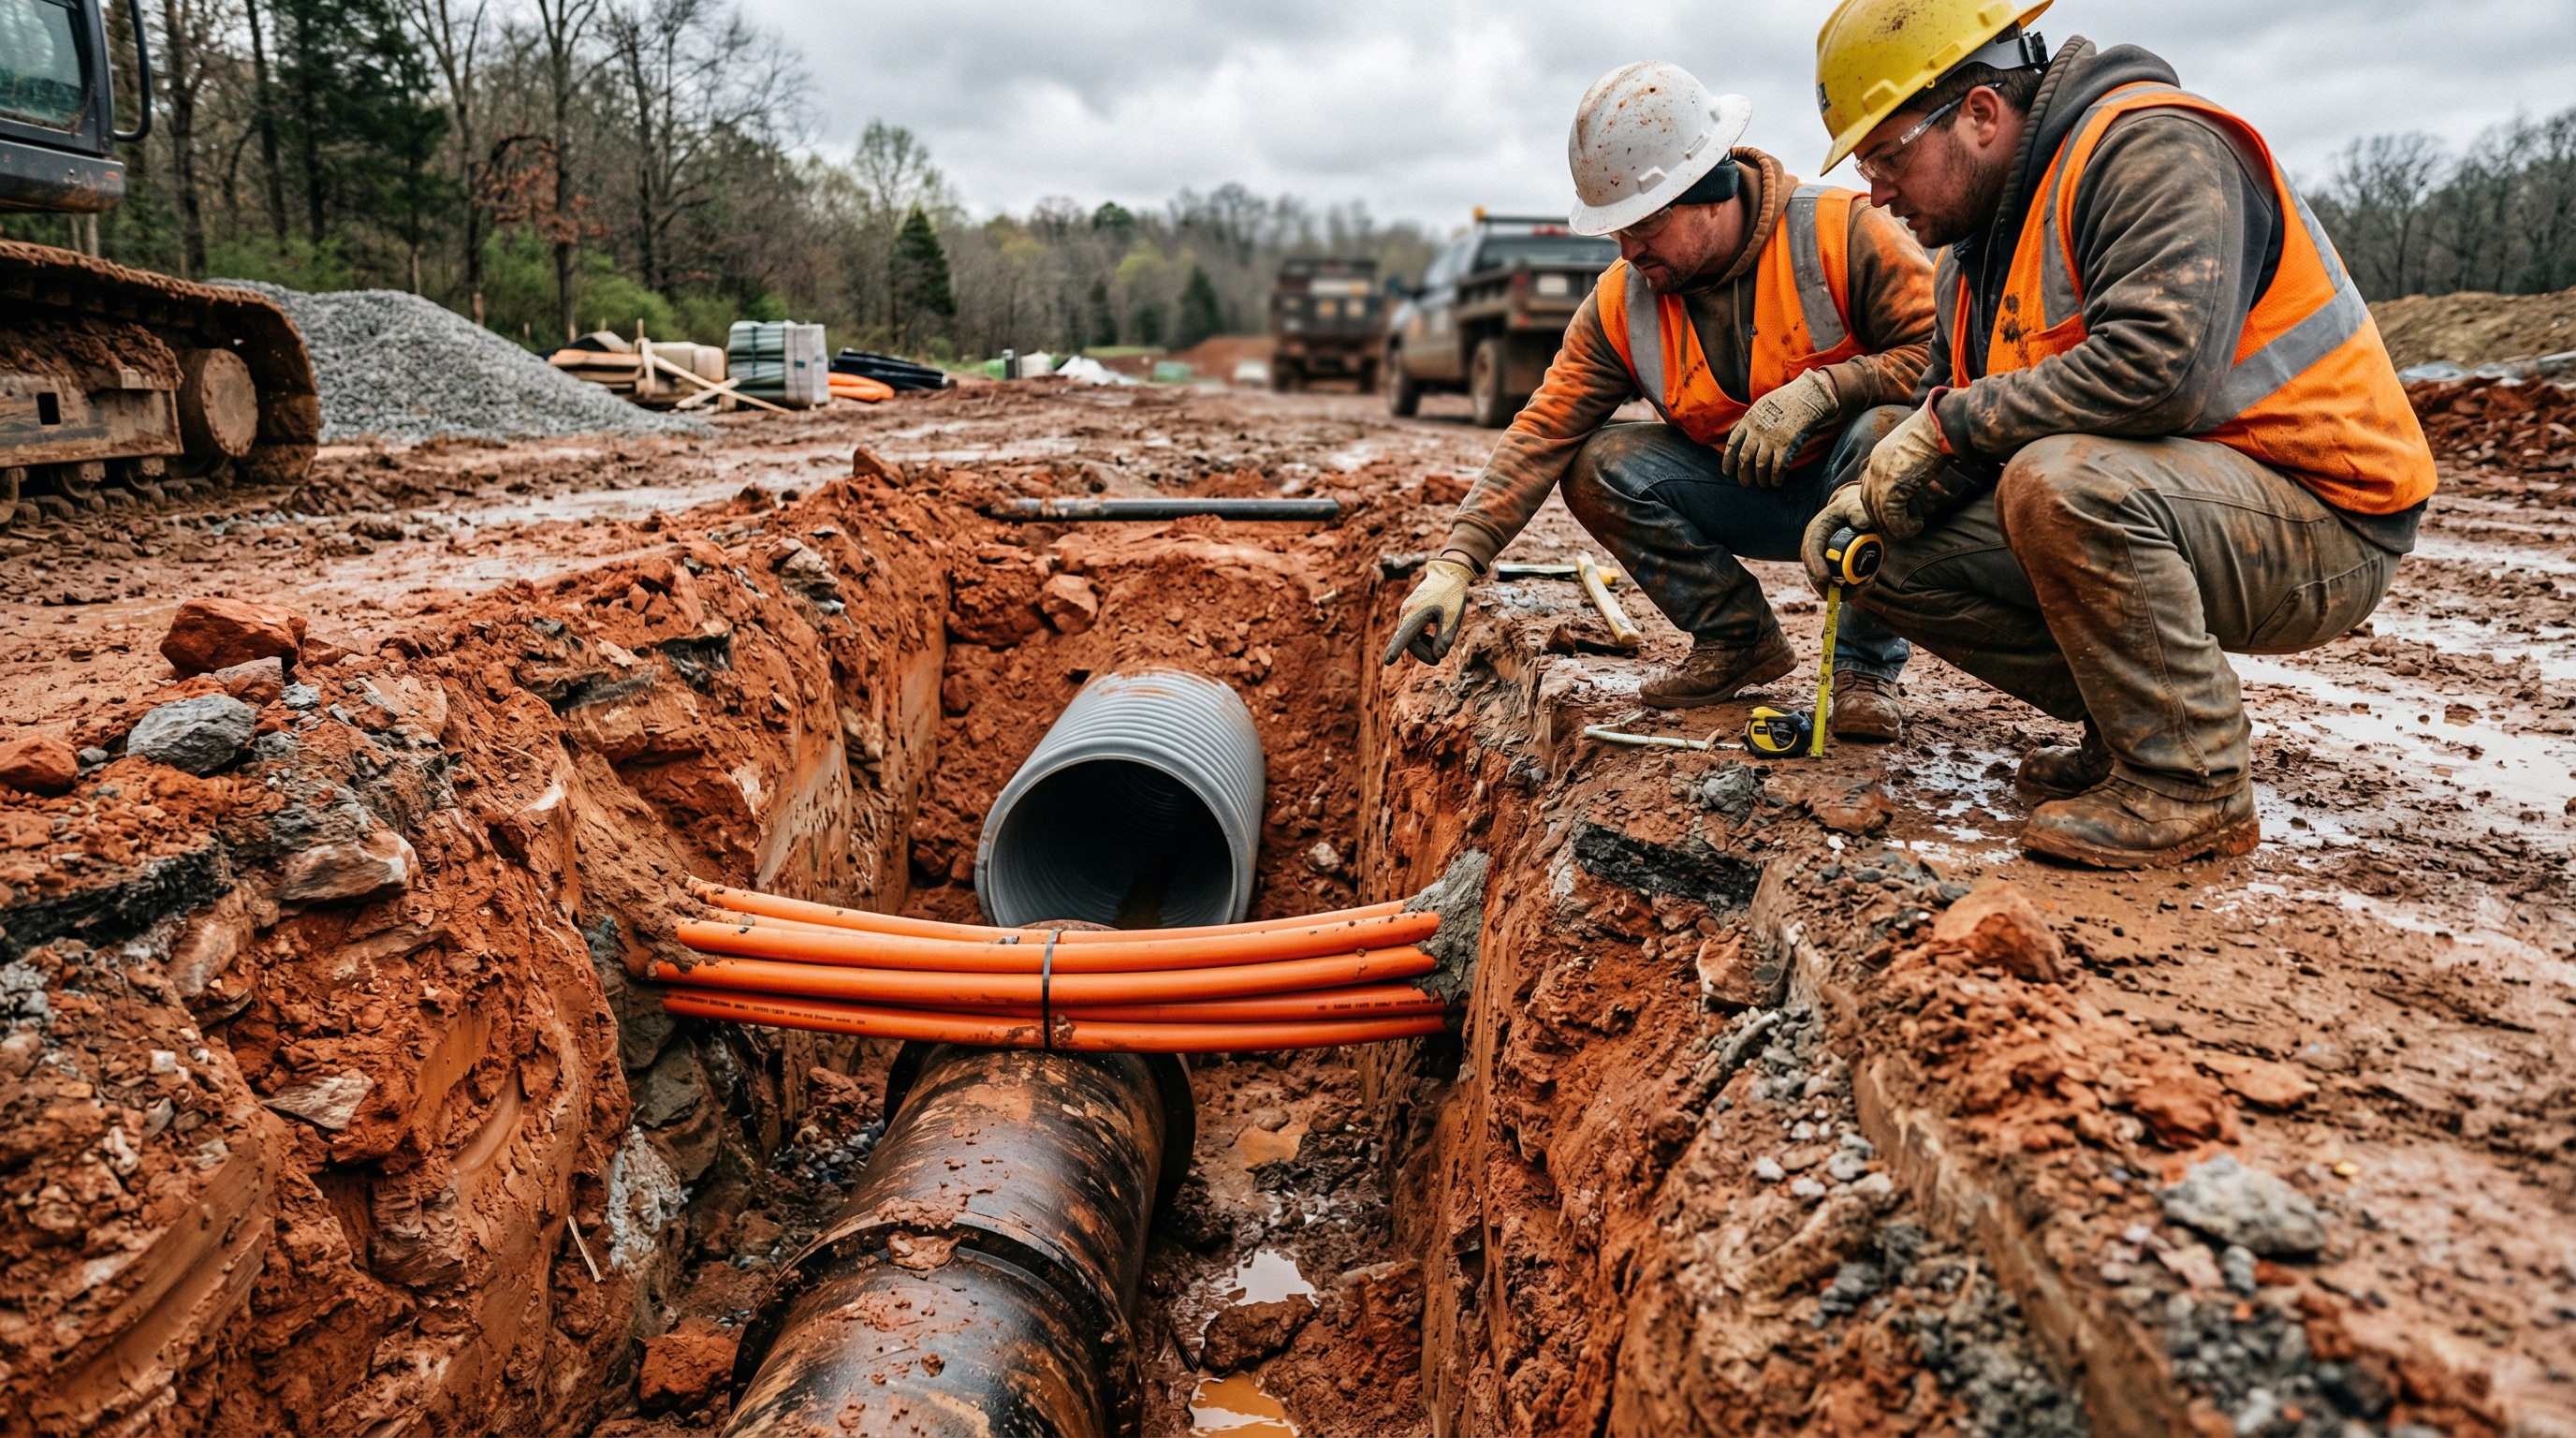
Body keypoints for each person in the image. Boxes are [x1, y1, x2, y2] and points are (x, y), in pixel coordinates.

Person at [1802, 0, 2436, 866]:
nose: (1875, 191)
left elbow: (2158, 373)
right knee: (1880, 553)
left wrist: (1947, 430)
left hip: (2325, 518)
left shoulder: (2152, 148)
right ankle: (2128, 722)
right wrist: (1880, 493)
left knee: (2063, 481)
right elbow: (1953, 414)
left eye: (1886, 156)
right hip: (2181, 502)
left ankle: (2189, 779)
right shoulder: (1970, 254)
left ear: (1980, 114)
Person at [1385, 61, 1938, 738]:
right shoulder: (1623, 300)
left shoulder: (1842, 234)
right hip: (1746, 493)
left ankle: (1861, 669)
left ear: (1710, 190)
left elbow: (1949, 364)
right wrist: (1457, 558)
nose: (1626, 248)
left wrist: (1830, 389)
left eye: (1642, 224)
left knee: (1886, 428)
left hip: (1856, 491)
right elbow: (1546, 424)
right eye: (1614, 229)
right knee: (1597, 462)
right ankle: (1737, 638)